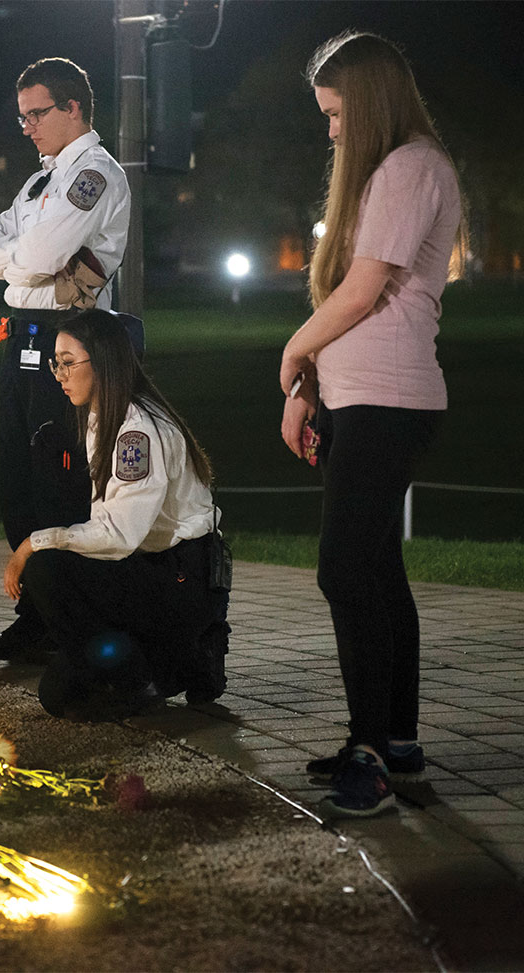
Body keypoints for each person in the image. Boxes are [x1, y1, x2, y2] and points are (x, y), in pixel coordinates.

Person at [279, 31, 465, 818]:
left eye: (336, 111)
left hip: (391, 402)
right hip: (361, 398)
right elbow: (347, 303)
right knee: (378, 571)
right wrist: (310, 387)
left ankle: (371, 753)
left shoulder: (409, 166)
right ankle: (395, 741)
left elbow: (359, 294)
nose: (330, 130)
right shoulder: (388, 172)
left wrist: (291, 352)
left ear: (374, 98)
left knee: (344, 570)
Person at [0, 56, 133, 662]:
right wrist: (23, 259)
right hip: (22, 333)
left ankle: (69, 619)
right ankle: (35, 613)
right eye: (21, 117)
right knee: (17, 474)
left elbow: (34, 252)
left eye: (37, 113)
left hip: (69, 337)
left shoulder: (93, 173)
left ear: (73, 108)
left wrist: (21, 258)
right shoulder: (41, 180)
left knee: (60, 475)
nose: (27, 126)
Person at [3, 308, 229, 720]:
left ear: (103, 361)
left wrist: (34, 543)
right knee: (59, 694)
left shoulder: (135, 430)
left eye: (68, 362)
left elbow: (119, 534)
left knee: (47, 569)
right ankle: (152, 662)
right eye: (57, 362)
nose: (58, 374)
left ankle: (157, 666)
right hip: (147, 570)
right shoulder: (101, 416)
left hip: (179, 577)